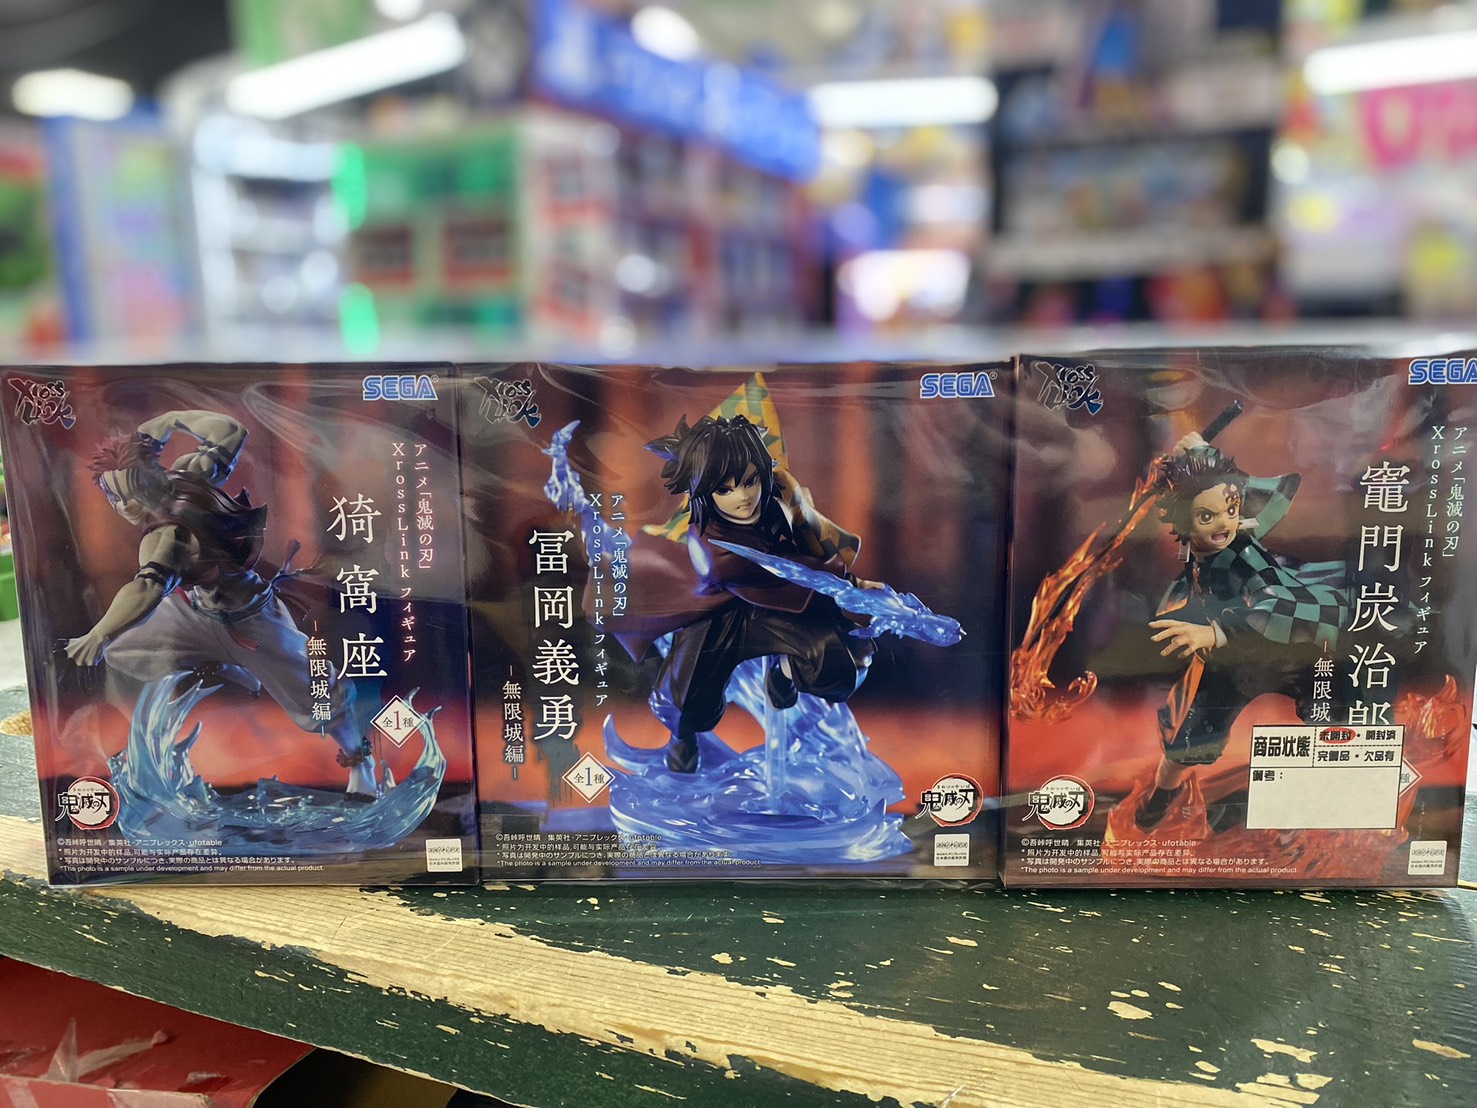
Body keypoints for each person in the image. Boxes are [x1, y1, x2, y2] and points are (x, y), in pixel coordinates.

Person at [62, 409, 389, 797]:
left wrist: (98, 633)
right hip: (197, 613)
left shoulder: (168, 531)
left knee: (319, 698)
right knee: (123, 644)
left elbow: (146, 590)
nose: (121, 506)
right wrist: (165, 424)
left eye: (123, 494)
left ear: (144, 481)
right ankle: (222, 665)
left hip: (252, 620)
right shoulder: (190, 474)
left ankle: (361, 762)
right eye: (115, 496)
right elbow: (229, 432)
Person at [1134, 433, 1348, 831]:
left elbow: (1273, 604)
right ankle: (1163, 794)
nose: (1223, 524)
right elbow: (1212, 486)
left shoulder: (1247, 557)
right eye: (1207, 517)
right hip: (1233, 662)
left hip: (1290, 652)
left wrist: (1217, 634)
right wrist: (1196, 454)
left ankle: (1323, 803)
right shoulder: (1200, 552)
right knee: (1190, 740)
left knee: (1331, 724)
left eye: (1231, 510)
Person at [644, 414, 877, 772]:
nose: (743, 498)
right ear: (704, 491)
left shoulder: (772, 503)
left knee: (838, 661)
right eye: (725, 489)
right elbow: (788, 570)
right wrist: (851, 585)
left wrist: (799, 506)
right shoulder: (712, 549)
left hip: (778, 604)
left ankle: (783, 675)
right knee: (684, 703)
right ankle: (683, 743)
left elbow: (821, 551)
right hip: (720, 616)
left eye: (750, 481)